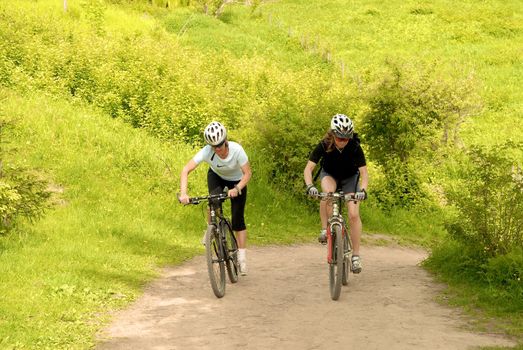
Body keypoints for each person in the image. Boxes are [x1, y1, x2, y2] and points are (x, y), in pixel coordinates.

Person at [179, 121, 252, 275]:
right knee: (213, 201)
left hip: (237, 181)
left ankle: (242, 257)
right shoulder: (207, 151)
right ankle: (211, 229)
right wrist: (183, 193)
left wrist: (237, 188)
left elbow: (248, 174)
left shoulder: (237, 150)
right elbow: (185, 169)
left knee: (238, 219)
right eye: (214, 147)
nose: (218, 149)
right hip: (217, 176)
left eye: (220, 145)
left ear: (225, 141)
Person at [303, 114, 368, 273]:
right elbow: (308, 169)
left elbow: (364, 174)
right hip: (330, 175)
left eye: (346, 139)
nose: (342, 142)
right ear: (333, 134)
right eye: (339, 138)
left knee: (353, 214)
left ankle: (356, 257)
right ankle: (325, 229)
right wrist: (310, 186)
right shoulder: (324, 144)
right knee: (328, 194)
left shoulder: (354, 146)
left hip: (350, 178)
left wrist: (363, 191)